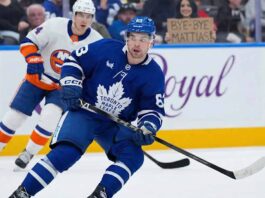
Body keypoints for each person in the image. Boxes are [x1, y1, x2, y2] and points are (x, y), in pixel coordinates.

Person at [9, 16, 165, 198]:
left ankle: (100, 194)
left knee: (133, 157)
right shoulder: (106, 48)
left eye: (143, 39)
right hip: (85, 112)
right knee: (66, 154)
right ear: (127, 38)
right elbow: (72, 61)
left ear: (151, 42)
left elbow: (152, 110)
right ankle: (22, 193)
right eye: (133, 38)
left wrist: (148, 127)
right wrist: (72, 84)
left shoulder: (154, 74)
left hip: (114, 124)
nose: (137, 44)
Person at [0, 0, 102, 169]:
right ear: (74, 15)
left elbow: (96, 71)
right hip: (37, 79)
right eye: (81, 15)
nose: (84, 19)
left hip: (62, 87)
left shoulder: (96, 41)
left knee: (50, 118)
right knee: (14, 117)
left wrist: (84, 87)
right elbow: (28, 42)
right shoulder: (55, 25)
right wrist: (33, 57)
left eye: (89, 16)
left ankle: (28, 153)